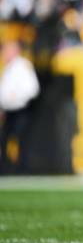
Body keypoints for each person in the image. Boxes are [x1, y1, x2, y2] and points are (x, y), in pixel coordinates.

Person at [0, 41, 40, 173]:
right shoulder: (9, 67)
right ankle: (7, 168)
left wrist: (14, 98)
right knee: (6, 140)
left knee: (21, 141)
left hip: (21, 110)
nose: (3, 53)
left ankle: (22, 169)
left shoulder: (22, 65)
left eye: (6, 50)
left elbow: (32, 89)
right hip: (9, 111)